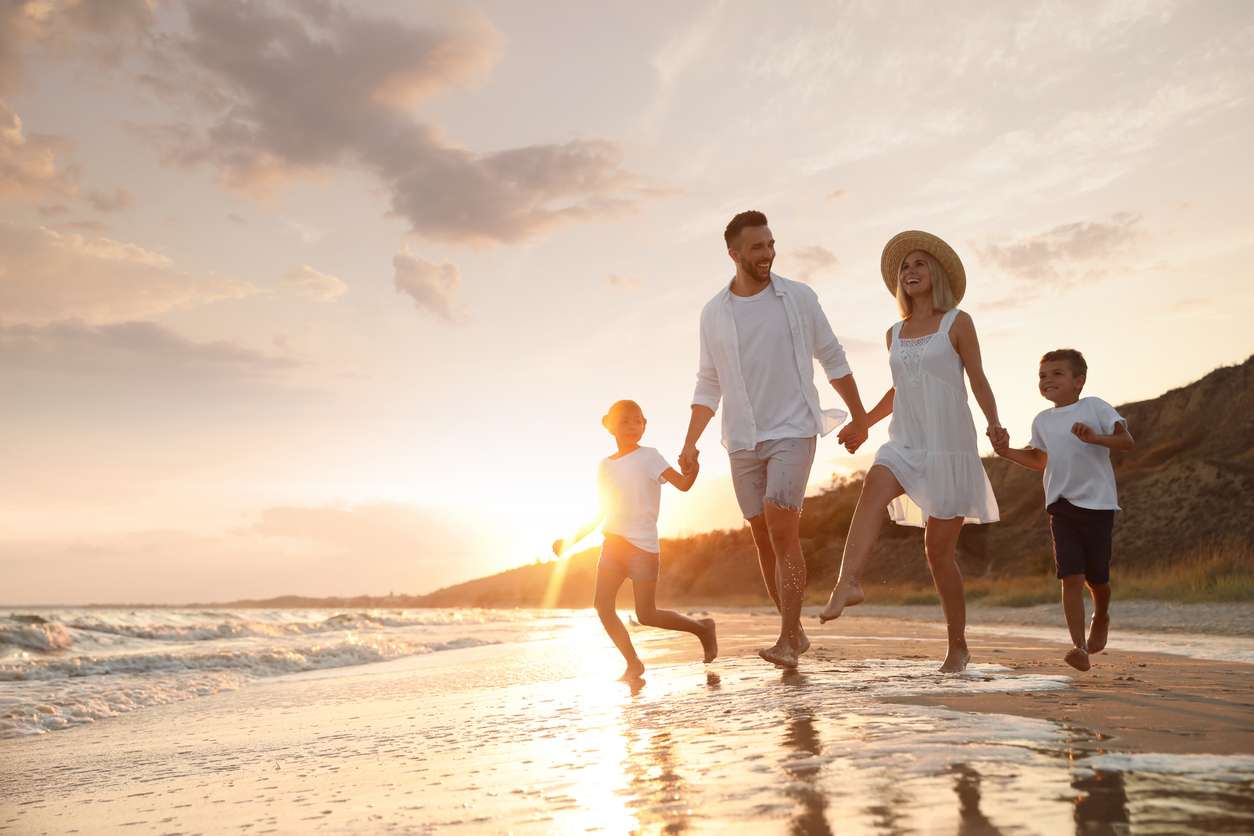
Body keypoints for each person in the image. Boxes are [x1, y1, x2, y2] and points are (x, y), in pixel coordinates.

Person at [679, 210, 871, 669]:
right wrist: (690, 443)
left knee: (783, 527)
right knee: (762, 537)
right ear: (734, 254)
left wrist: (860, 416)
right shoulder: (714, 313)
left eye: (770, 244)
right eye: (757, 247)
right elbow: (708, 383)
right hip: (743, 437)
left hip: (794, 428)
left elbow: (832, 356)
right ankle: (795, 631)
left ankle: (786, 639)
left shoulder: (798, 298)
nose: (767, 254)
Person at [817, 230, 1003, 673]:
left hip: (949, 445)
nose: (911, 271)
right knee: (872, 487)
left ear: (935, 273)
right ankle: (849, 582)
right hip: (906, 440)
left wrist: (995, 422)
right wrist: (864, 423)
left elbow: (976, 377)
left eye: (920, 263)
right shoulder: (894, 333)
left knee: (937, 554)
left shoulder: (957, 322)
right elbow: (899, 389)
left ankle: (957, 645)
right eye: (905, 266)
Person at [554, 399, 717, 681]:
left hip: (643, 547)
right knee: (603, 607)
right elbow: (601, 510)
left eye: (637, 420)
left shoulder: (650, 456)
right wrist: (572, 541)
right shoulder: (604, 466)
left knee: (647, 614)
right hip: (613, 545)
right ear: (609, 425)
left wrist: (694, 469)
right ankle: (633, 664)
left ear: (644, 425)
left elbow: (683, 484)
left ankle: (702, 628)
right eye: (625, 421)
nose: (632, 426)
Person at [992, 349, 1134, 671]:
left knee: (1097, 578)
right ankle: (1078, 647)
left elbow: (1126, 441)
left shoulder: (1094, 406)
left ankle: (1102, 614)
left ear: (1078, 381)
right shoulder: (1042, 420)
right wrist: (1006, 452)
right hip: (1061, 505)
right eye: (1042, 376)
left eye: (1057, 374)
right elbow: (1039, 460)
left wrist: (1095, 437)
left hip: (1098, 504)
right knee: (1070, 576)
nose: (1047, 380)